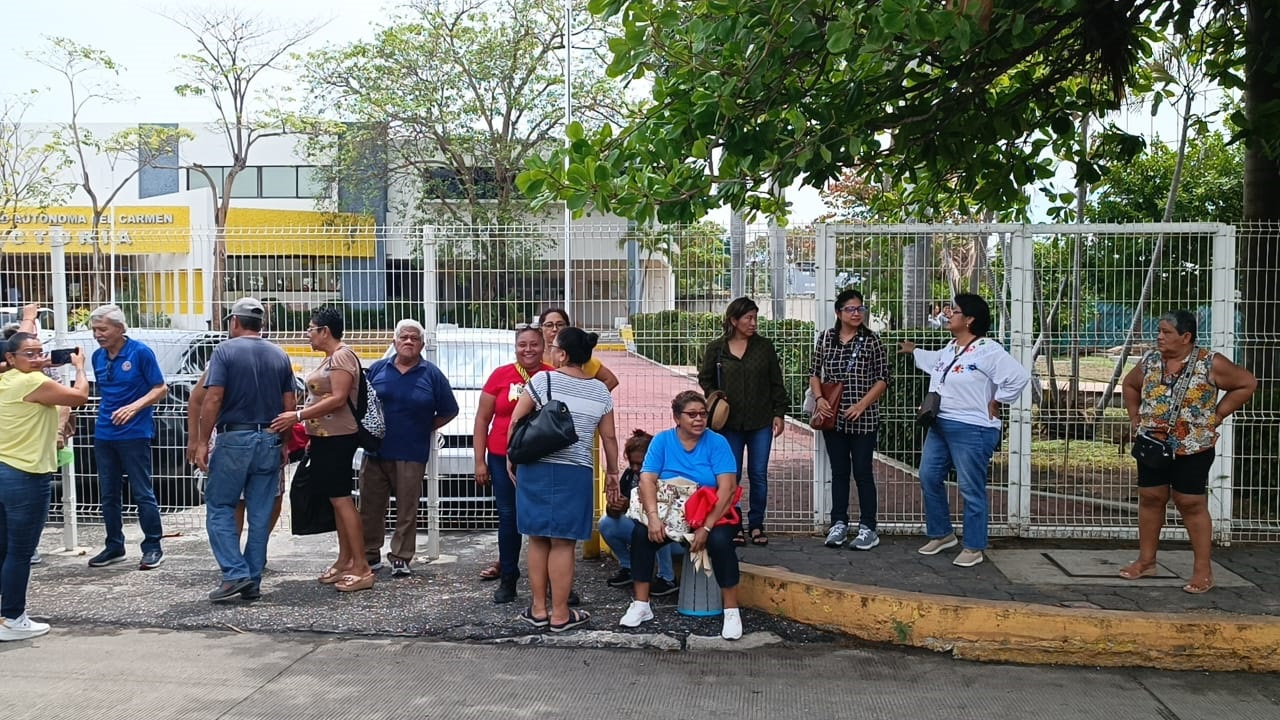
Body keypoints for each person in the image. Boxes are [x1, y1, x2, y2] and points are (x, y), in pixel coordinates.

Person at [1120, 310, 1256, 594]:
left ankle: (1203, 571)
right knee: (1150, 497)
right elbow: (1130, 385)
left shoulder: (1210, 362)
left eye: (1166, 332)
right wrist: (1135, 417)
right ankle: (1146, 561)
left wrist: (1218, 416)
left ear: (1186, 337)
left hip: (1193, 446)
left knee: (1190, 502)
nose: (1159, 336)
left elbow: (1246, 383)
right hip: (1153, 444)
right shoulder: (1150, 361)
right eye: (1158, 330)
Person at [899, 293, 1031, 568]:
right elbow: (935, 362)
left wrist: (998, 400)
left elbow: (1018, 377)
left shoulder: (989, 350)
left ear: (970, 319)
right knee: (928, 476)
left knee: (971, 487)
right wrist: (913, 350)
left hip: (973, 429)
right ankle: (942, 534)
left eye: (955, 311)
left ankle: (974, 546)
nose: (948, 314)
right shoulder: (951, 347)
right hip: (940, 424)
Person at [509, 327, 618, 632]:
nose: (550, 351)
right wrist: (612, 474)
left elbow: (517, 420)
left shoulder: (543, 380)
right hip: (576, 471)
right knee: (564, 543)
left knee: (537, 538)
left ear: (563, 354)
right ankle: (560, 614)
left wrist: (511, 456)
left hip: (537, 467)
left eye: (553, 347)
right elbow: (608, 437)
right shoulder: (600, 391)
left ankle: (538, 609)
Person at [190, 297, 295, 602]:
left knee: (221, 506)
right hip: (270, 438)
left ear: (235, 322)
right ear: (261, 325)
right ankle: (252, 577)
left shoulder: (224, 351)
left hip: (235, 438)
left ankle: (235, 574)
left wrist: (201, 441)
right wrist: (284, 443)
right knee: (261, 513)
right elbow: (290, 404)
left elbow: (213, 398)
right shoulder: (279, 354)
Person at [619, 390, 744, 640]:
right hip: (672, 512)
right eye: (692, 415)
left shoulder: (717, 442)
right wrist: (653, 518)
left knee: (719, 542)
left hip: (713, 511)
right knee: (641, 534)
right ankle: (641, 605)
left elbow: (728, 488)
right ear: (677, 417)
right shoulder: (663, 441)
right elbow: (646, 479)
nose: (699, 419)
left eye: (703, 414)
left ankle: (731, 611)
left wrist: (706, 527)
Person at [270, 307, 372, 592]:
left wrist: (299, 416)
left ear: (325, 331)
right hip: (327, 437)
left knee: (342, 499)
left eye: (311, 329)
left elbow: (339, 398)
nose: (307, 334)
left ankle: (362, 567)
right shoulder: (332, 358)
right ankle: (345, 559)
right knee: (335, 499)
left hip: (340, 437)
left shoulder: (341, 356)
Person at [0, 332, 88, 640]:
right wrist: (79, 367)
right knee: (20, 551)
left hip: (4, 469)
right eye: (30, 354)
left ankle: (5, 614)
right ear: (10, 358)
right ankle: (12, 617)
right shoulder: (31, 383)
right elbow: (79, 397)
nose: (38, 358)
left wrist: (33, 363)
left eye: (41, 352)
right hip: (26, 473)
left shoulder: (7, 380)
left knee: (4, 548)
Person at [359, 319, 458, 577]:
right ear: (394, 342)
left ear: (422, 344)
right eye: (404, 337)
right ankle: (369, 555)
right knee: (370, 507)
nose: (409, 342)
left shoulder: (431, 374)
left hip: (411, 452)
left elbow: (450, 409)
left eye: (414, 338)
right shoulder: (377, 369)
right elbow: (363, 405)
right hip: (375, 451)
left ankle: (401, 558)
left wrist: (424, 426)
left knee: (407, 509)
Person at [83, 304, 169, 571]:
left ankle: (153, 546)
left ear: (120, 329)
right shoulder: (97, 357)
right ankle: (114, 545)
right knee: (108, 493)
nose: (98, 334)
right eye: (94, 330)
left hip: (134, 433)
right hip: (104, 432)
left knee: (142, 491)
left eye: (103, 329)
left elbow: (161, 388)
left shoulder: (140, 352)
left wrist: (135, 407)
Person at [697, 296, 787, 546]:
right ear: (734, 320)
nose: (753, 323)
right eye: (748, 318)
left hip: (761, 420)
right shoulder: (717, 348)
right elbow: (705, 378)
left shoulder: (764, 347)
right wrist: (715, 398)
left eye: (755, 317)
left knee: (758, 473)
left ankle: (757, 524)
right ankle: (732, 524)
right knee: (730, 475)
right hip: (729, 423)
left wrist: (779, 412)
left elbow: (775, 382)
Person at [473, 326, 553, 602]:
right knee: (508, 517)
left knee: (544, 519)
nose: (528, 350)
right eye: (522, 345)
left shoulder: (551, 376)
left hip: (541, 459)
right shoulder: (500, 376)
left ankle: (554, 580)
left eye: (534, 344)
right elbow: (482, 420)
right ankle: (508, 577)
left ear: (543, 347)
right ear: (515, 347)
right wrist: (479, 462)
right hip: (500, 455)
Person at [811, 289, 892, 551]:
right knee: (839, 472)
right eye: (850, 309)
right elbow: (814, 373)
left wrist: (861, 405)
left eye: (860, 309)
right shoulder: (825, 339)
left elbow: (883, 378)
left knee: (863, 472)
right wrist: (819, 398)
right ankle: (839, 524)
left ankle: (868, 527)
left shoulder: (871, 341)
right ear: (838, 313)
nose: (857, 313)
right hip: (832, 417)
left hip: (864, 418)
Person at [598, 429, 679, 596]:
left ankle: (667, 577)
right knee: (606, 523)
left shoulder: (665, 475)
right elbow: (618, 512)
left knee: (656, 523)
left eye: (640, 464)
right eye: (632, 464)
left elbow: (667, 513)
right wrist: (613, 507)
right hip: (642, 533)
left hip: (674, 539)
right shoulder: (629, 475)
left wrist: (631, 506)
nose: (635, 468)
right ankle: (628, 567)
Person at [538, 307, 619, 390]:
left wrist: (589, 398)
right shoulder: (534, 358)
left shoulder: (579, 358)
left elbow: (611, 381)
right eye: (549, 325)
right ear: (540, 329)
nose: (555, 329)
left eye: (560, 324)